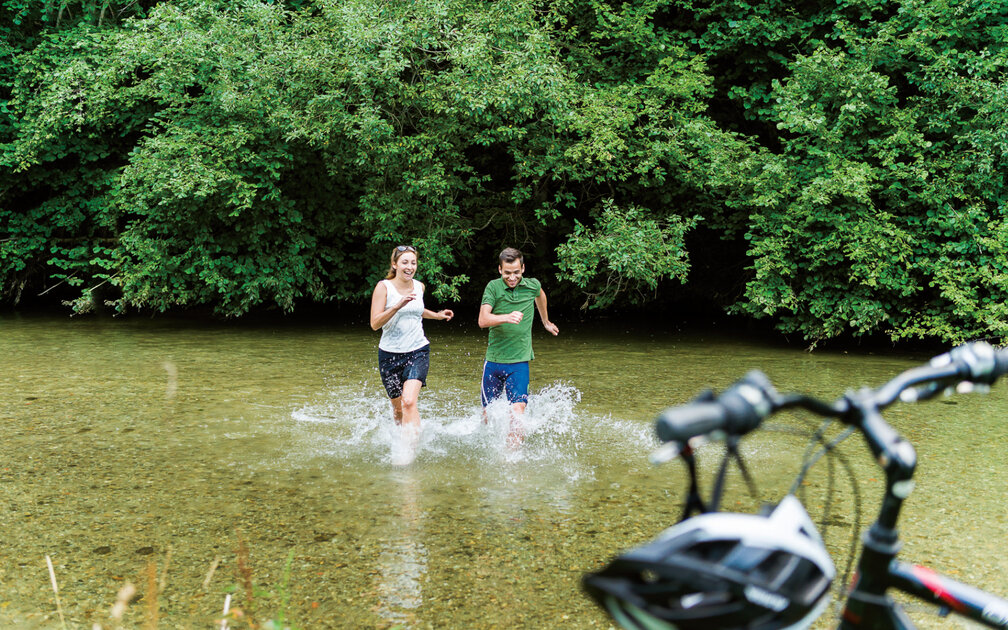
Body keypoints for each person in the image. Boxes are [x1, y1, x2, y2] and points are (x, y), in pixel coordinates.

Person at [370, 245, 454, 465]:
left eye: (413, 263)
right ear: (395, 265)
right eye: (405, 262)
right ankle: (402, 440)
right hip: (389, 355)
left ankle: (408, 454)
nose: (409, 267)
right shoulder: (384, 287)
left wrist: (436, 315)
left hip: (417, 350)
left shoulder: (419, 286)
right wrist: (397, 306)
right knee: (398, 410)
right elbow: (375, 324)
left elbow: (417, 309)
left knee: (409, 402)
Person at [478, 247, 559, 448]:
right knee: (488, 415)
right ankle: (486, 448)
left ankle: (511, 458)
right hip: (494, 362)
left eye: (516, 272)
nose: (512, 277)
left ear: (523, 268)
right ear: (500, 270)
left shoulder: (532, 285)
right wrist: (507, 317)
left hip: (519, 362)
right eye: (507, 273)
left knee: (518, 411)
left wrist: (545, 321)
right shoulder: (493, 287)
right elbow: (482, 320)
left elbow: (540, 295)